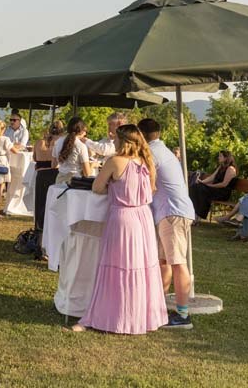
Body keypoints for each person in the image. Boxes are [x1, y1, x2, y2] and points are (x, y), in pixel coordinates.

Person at [72, 124, 168, 334]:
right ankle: (139, 317)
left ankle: (113, 317)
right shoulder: (146, 162)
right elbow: (151, 189)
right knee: (141, 267)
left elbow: (97, 187)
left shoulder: (115, 161)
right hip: (143, 217)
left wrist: (112, 186)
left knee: (117, 267)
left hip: (123, 217)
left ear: (122, 140)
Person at [138, 118, 197, 329]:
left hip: (173, 213)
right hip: (170, 212)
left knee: (177, 263)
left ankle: (183, 316)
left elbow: (145, 185)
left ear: (140, 135)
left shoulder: (152, 154)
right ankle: (159, 307)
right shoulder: (162, 150)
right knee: (164, 262)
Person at [189, 150, 238, 223]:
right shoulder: (221, 167)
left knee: (203, 190)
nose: (218, 157)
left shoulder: (231, 169)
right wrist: (202, 182)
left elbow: (224, 184)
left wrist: (211, 186)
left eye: (220, 156)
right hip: (215, 189)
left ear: (226, 158)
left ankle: (199, 216)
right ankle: (195, 213)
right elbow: (212, 177)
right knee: (195, 187)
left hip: (222, 192)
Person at [34, 121, 63, 232]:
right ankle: (50, 230)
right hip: (54, 173)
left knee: (40, 203)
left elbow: (35, 158)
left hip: (41, 174)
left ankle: (39, 229)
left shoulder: (38, 142)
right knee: (52, 204)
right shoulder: (59, 143)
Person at [52, 117, 92, 184]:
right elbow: (87, 174)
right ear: (81, 131)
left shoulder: (58, 142)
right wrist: (93, 165)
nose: (85, 134)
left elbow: (53, 165)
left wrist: (64, 165)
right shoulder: (81, 146)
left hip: (60, 181)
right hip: (74, 182)